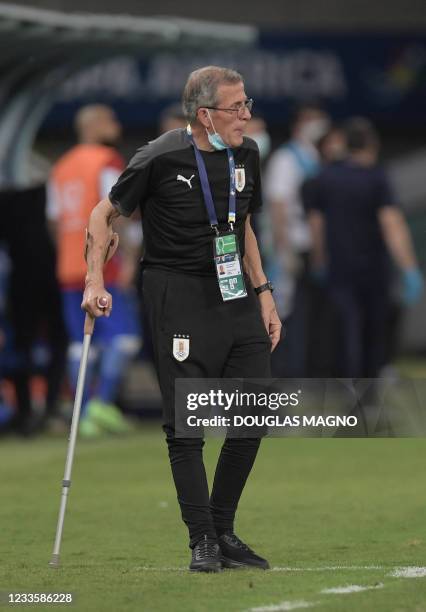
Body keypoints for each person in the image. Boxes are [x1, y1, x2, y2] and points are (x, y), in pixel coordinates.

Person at [81, 66, 281, 572]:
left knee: (254, 412)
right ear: (205, 114)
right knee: (187, 425)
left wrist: (264, 292)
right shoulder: (159, 155)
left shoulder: (248, 153)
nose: (247, 115)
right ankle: (203, 540)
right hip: (178, 294)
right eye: (237, 107)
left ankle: (223, 527)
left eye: (247, 103)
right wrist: (94, 280)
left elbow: (244, 224)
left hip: (235, 292)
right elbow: (101, 215)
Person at [48, 104, 141, 438]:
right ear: (96, 124)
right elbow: (118, 212)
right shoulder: (106, 161)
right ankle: (100, 404)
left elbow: (55, 220)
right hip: (103, 266)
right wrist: (128, 258)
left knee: (81, 343)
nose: (116, 125)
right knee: (124, 338)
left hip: (69, 267)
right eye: (112, 119)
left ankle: (83, 413)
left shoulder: (61, 166)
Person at [307, 117, 423, 377]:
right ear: (372, 144)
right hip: (373, 269)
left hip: (339, 266)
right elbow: (392, 225)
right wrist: (409, 267)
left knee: (345, 329)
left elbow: (316, 224)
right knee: (372, 331)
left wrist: (319, 259)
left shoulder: (325, 178)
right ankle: (368, 389)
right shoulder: (377, 179)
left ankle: (347, 383)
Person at [264, 103, 329, 376]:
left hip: (310, 245)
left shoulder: (316, 157)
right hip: (290, 244)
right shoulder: (286, 159)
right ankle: (282, 373)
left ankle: (304, 371)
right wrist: (282, 250)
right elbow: (278, 205)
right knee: (286, 313)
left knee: (309, 316)